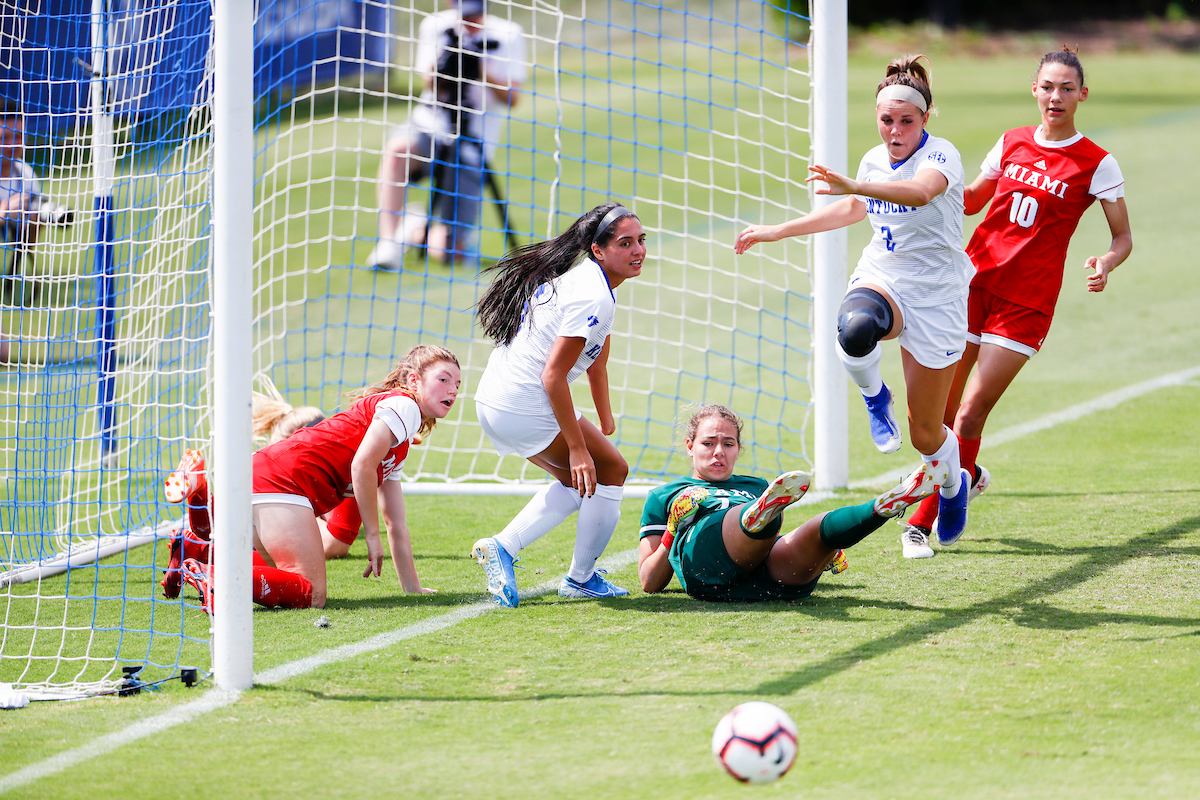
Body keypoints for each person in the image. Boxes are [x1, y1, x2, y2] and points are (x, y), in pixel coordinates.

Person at [896, 47, 1132, 559]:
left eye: (1067, 88)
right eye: (1048, 86)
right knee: (941, 411)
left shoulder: (1097, 162)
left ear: (1082, 95)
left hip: (1026, 304)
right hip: (971, 282)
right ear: (1035, 89)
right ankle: (969, 474)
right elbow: (974, 201)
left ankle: (921, 522)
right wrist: (920, 192)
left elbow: (1123, 238)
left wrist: (1107, 262)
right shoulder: (1011, 143)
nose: (1056, 96)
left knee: (970, 416)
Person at [735, 54, 974, 546]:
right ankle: (875, 398)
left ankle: (953, 485)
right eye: (887, 120)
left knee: (927, 435)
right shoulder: (872, 159)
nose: (894, 130)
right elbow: (851, 206)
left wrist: (858, 185)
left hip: (938, 295)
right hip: (884, 275)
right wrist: (777, 230)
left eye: (906, 120)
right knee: (854, 327)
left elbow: (919, 194)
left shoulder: (940, 155)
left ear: (925, 119)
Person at [162, 344, 461, 610]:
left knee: (261, 563)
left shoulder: (401, 442)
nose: (453, 390)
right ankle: (221, 579)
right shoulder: (405, 405)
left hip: (264, 471)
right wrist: (371, 535)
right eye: (443, 379)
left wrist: (413, 589)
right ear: (413, 380)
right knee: (312, 593)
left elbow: (396, 523)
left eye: (458, 384)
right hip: (283, 480)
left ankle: (199, 507)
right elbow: (361, 466)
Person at [470, 202, 645, 607]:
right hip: (523, 402)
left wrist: (605, 417)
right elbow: (552, 376)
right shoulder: (593, 296)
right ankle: (580, 578)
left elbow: (596, 357)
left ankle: (503, 548)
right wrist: (581, 447)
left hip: (496, 399)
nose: (637, 250)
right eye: (625, 243)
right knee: (611, 471)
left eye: (641, 240)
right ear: (598, 250)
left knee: (576, 481)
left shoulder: (589, 282)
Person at [637, 404, 946, 602]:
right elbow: (650, 582)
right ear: (690, 447)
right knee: (737, 519)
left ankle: (882, 506)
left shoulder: (756, 486)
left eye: (728, 444)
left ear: (738, 449)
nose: (719, 451)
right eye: (708, 443)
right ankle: (757, 517)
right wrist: (673, 529)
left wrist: (822, 555)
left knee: (818, 531)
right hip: (707, 570)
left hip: (770, 581)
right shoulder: (665, 494)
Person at [367, 0, 526, 269]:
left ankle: (415, 226)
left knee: (449, 253)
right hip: (429, 126)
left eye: (475, 16)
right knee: (397, 150)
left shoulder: (509, 33)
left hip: (474, 141)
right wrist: (450, 62)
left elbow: (512, 98)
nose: (469, 23)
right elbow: (429, 83)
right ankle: (388, 243)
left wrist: (480, 69)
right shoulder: (436, 26)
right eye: (464, 16)